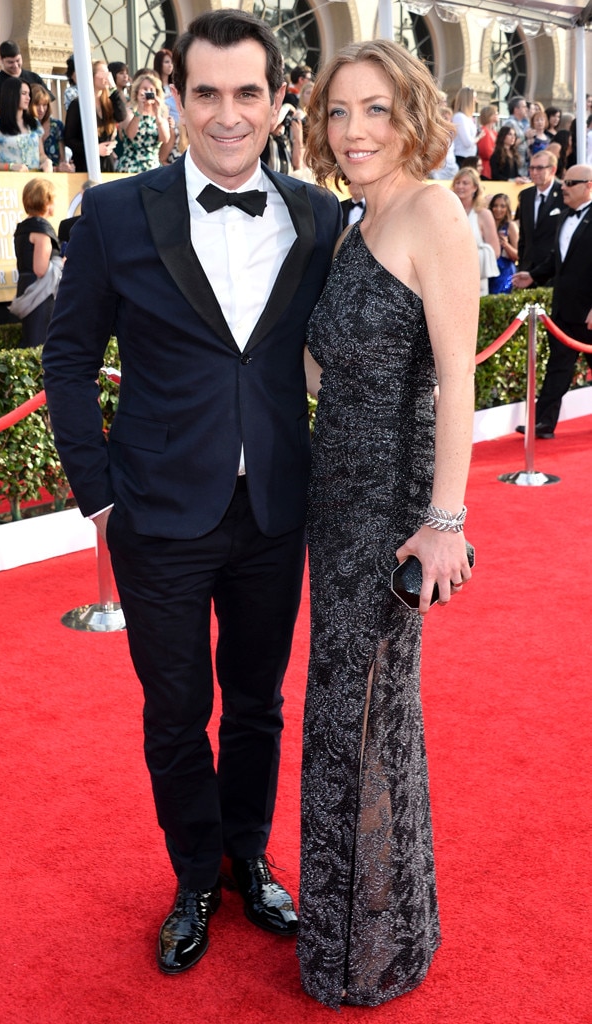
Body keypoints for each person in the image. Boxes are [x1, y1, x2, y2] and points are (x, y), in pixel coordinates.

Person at [42, 8, 341, 979]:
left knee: (257, 702)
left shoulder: (316, 216)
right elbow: (70, 355)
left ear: (276, 99)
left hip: (273, 513)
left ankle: (248, 856)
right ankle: (191, 877)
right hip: (157, 517)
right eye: (204, 93)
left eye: (245, 92)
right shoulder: (118, 212)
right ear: (176, 99)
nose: (225, 114)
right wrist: (97, 493)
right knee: (176, 709)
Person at [299, 38, 477, 1010]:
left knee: (362, 713)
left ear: (409, 112)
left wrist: (444, 520)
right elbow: (324, 368)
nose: (354, 129)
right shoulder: (350, 224)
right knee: (347, 716)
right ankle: (368, 927)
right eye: (337, 112)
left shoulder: (432, 210)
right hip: (334, 501)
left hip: (392, 513)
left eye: (373, 109)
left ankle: (372, 947)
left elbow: (458, 374)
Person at [512, 166, 592, 438]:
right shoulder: (565, 215)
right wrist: (532, 276)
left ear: (589, 185)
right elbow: (557, 261)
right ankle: (543, 423)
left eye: (570, 182)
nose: (563, 187)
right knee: (557, 368)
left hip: (589, 313)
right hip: (563, 309)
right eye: (564, 182)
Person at [9, 178, 63, 347]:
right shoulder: (41, 229)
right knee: (41, 343)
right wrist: (62, 263)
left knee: (34, 340)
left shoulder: (23, 228)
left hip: (27, 287)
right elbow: (41, 269)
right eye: (53, 200)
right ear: (46, 201)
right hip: (40, 293)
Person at [64, 61, 127, 173]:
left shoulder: (108, 103)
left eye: (108, 72)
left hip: (107, 164)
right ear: (91, 76)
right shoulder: (78, 104)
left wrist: (113, 88)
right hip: (85, 164)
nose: (107, 76)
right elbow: (69, 139)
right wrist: (94, 150)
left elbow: (121, 115)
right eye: (103, 72)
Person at [0, 77, 52, 173]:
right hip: (8, 181)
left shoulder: (34, 123)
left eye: (29, 94)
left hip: (33, 180)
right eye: (24, 94)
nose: (28, 98)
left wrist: (47, 161)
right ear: (11, 95)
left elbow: (41, 154)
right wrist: (11, 166)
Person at [452, 166, 500, 295]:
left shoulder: (483, 214)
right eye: (457, 182)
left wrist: (469, 257)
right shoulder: (447, 212)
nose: (460, 186)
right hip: (450, 276)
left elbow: (495, 251)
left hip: (476, 280)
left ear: (475, 187)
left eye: (465, 183)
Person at [0, 39, 53, 124]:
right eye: (10, 62)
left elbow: (47, 102)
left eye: (18, 60)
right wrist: (13, 104)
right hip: (9, 129)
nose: (15, 65)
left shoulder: (34, 78)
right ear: (0, 59)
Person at [516, 149, 564, 274]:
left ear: (552, 170)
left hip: (554, 270)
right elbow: (523, 237)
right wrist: (522, 265)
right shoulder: (526, 196)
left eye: (539, 168)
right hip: (528, 269)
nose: (534, 172)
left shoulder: (564, 194)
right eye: (531, 168)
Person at [118, 71, 173, 174]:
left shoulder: (161, 113)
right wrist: (139, 109)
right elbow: (130, 135)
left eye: (151, 90)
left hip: (153, 169)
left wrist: (157, 114)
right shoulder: (129, 111)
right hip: (130, 168)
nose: (148, 92)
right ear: (137, 92)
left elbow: (165, 139)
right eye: (145, 89)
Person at [30, 84, 74, 172]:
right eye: (37, 105)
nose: (41, 109)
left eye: (44, 105)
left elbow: (62, 159)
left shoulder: (57, 125)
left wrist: (64, 167)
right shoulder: (24, 126)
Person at [488, 193, 519, 293]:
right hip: (487, 269)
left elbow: (517, 255)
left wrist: (505, 245)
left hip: (504, 271)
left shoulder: (510, 226)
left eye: (502, 206)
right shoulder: (486, 224)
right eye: (495, 205)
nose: (498, 209)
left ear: (507, 209)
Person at [504, 95, 532, 175]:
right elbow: (508, 144)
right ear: (516, 109)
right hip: (515, 165)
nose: (526, 109)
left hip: (523, 164)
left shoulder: (522, 123)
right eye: (524, 107)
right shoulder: (510, 123)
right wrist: (525, 137)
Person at [451, 86, 477, 167]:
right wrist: (479, 137)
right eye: (474, 98)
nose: (476, 101)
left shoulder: (467, 117)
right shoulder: (459, 117)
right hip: (462, 158)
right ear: (468, 99)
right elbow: (467, 142)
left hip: (469, 157)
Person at [476, 104, 498, 178]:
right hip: (486, 167)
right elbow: (485, 151)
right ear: (489, 115)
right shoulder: (483, 131)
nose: (497, 115)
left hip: (494, 165)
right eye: (495, 113)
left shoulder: (494, 132)